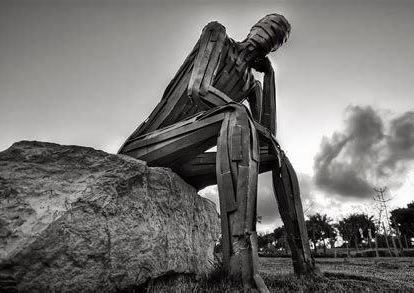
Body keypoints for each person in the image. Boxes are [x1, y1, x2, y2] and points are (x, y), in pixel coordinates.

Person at [119, 14, 316, 291]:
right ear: (255, 26)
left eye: (277, 37)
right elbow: (197, 89)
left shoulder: (251, 83)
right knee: (237, 115)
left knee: (278, 157)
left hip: (186, 163)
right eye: (269, 27)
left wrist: (269, 79)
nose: (270, 35)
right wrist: (241, 114)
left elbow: (266, 137)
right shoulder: (218, 36)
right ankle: (240, 269)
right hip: (149, 146)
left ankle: (306, 265)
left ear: (274, 48)